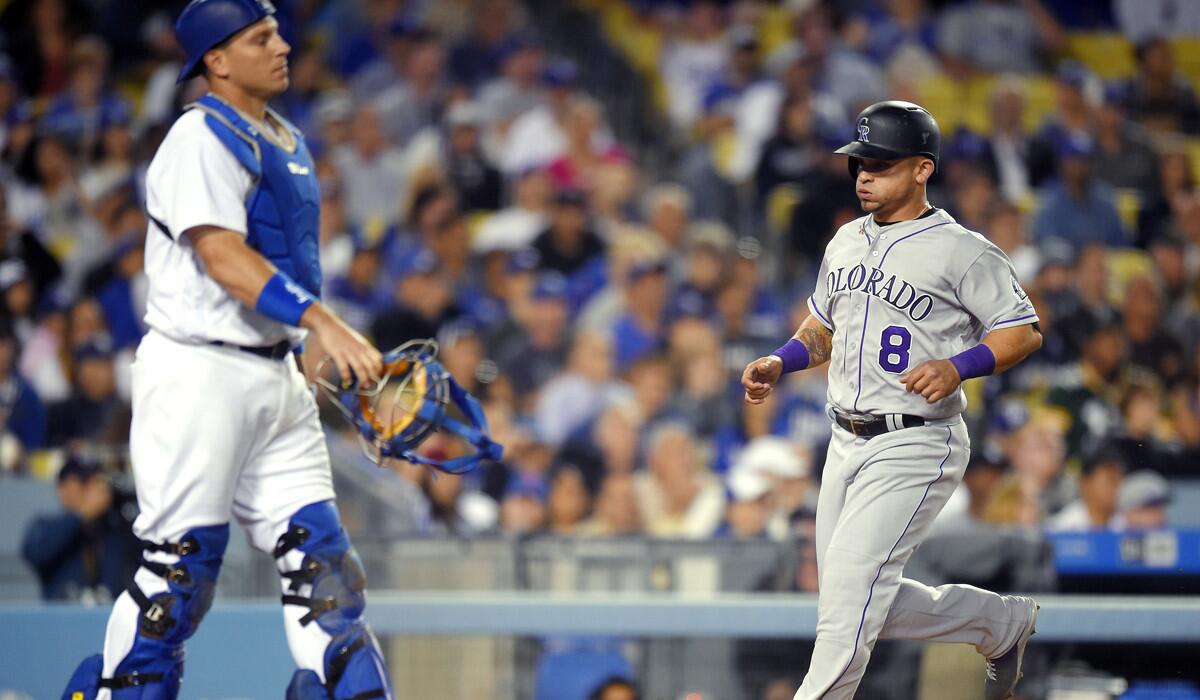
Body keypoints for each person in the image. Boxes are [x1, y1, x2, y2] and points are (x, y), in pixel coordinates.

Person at [63, 2, 392, 698]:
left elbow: (288, 262)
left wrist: (311, 346)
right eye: (259, 37)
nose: (282, 45)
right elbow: (222, 256)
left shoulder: (286, 139)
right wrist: (325, 322)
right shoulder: (197, 136)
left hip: (275, 373)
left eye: (277, 31)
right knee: (177, 577)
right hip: (198, 370)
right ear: (216, 59)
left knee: (327, 578)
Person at [741, 101, 1043, 700]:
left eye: (880, 163)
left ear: (922, 169)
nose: (863, 175)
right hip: (844, 441)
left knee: (845, 609)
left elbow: (1023, 330)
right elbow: (822, 329)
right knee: (854, 599)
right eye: (859, 163)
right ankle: (998, 623)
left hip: (916, 439)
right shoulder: (846, 241)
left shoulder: (962, 249)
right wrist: (781, 359)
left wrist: (960, 366)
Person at [21, 454, 138, 601]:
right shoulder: (47, 526)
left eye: (100, 483)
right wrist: (81, 516)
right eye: (86, 483)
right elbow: (35, 552)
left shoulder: (117, 529)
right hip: (62, 618)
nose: (96, 490)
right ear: (62, 489)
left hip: (108, 615)